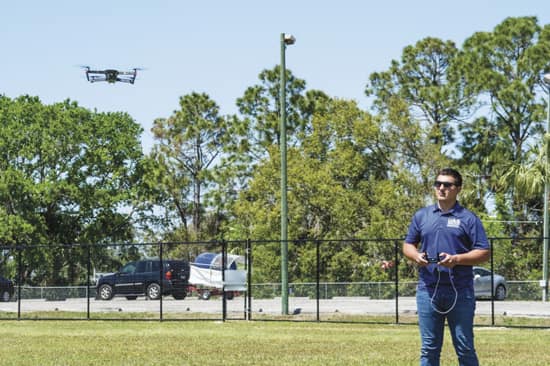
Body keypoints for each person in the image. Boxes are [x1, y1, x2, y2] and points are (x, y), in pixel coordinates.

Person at [403, 168, 490, 366]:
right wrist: (416, 256)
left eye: (447, 185)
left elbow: (484, 252)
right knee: (429, 348)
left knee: (464, 347)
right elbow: (408, 245)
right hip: (428, 290)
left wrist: (456, 259)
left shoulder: (468, 218)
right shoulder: (422, 216)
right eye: (438, 184)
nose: (441, 188)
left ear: (457, 189)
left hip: (460, 291)